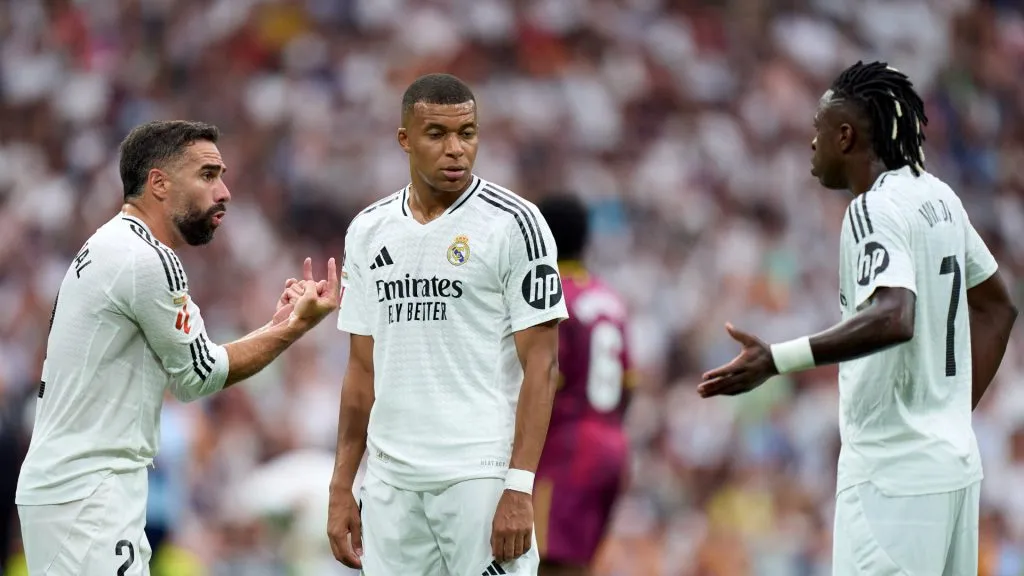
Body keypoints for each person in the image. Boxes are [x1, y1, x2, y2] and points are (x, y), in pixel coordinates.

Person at [698, 61, 1018, 575]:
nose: (812, 143)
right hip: (954, 467)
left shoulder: (871, 209)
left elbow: (895, 315)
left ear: (845, 136)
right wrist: (949, 416)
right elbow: (999, 307)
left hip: (893, 476)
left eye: (818, 129)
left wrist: (777, 359)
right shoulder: (940, 197)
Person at [15, 120, 339, 575]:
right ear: (159, 183)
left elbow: (191, 368)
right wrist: (294, 329)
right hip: (89, 495)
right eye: (207, 175)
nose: (224, 192)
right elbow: (200, 376)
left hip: (72, 488)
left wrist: (276, 325)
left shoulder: (109, 244)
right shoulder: (148, 258)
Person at [326, 73, 568, 576]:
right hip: (391, 483)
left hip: (479, 476)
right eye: (437, 134)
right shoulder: (368, 230)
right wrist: (341, 485)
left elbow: (543, 365)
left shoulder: (515, 224)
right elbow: (361, 372)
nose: (456, 149)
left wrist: (519, 486)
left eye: (468, 133)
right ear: (405, 139)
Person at [533, 194, 632, 576]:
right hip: (611, 445)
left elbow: (544, 378)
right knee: (577, 564)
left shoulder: (548, 295)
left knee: (541, 560)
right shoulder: (609, 299)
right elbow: (629, 384)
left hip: (566, 448)